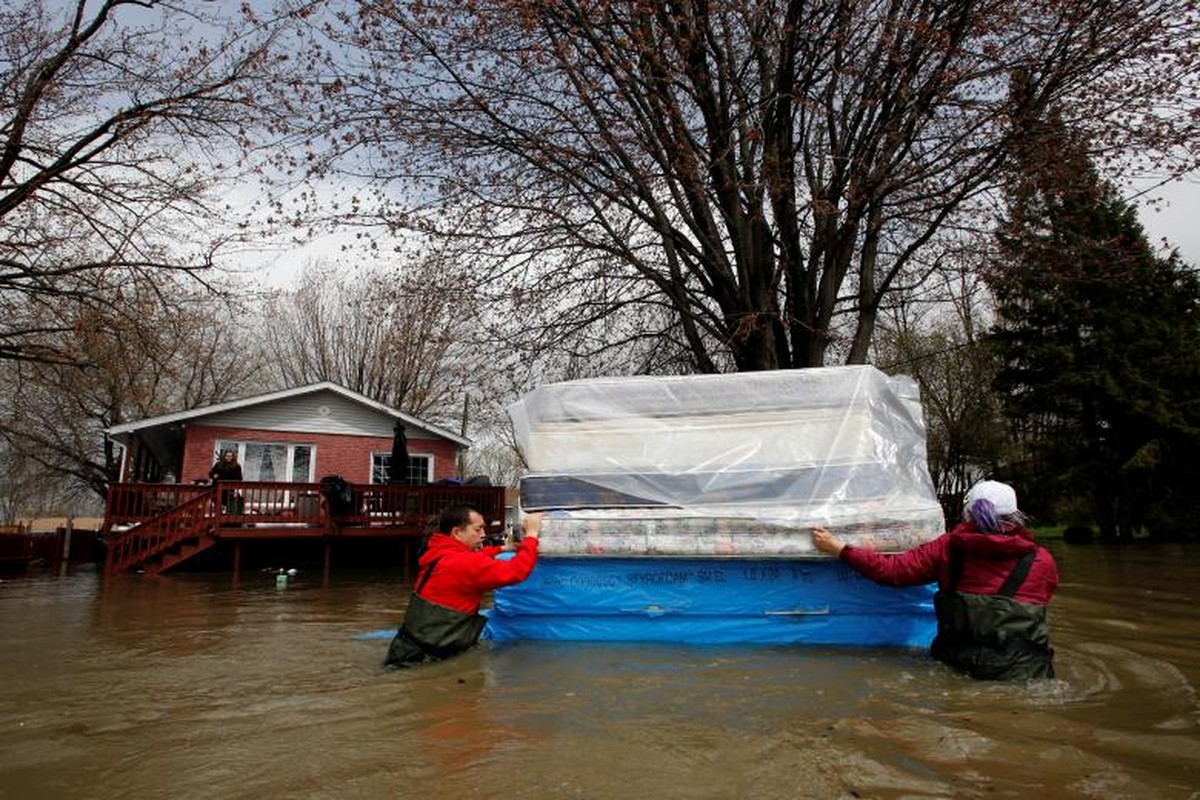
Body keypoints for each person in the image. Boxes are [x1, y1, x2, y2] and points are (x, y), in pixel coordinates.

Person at [812, 480, 1058, 680]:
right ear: (1016, 515)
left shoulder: (949, 548)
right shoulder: (1042, 561)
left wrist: (840, 549)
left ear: (968, 513)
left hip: (963, 670)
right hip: (1029, 674)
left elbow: (893, 571)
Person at [384, 504, 542, 668]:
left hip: (405, 647)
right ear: (457, 532)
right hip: (429, 657)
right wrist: (531, 535)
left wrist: (501, 549)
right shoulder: (464, 564)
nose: (484, 534)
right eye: (478, 529)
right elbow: (516, 571)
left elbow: (471, 559)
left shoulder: (439, 552)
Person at [208, 449, 244, 516]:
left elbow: (239, 479)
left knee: (229, 506)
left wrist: (236, 489)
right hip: (217, 489)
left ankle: (227, 520)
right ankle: (217, 518)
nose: (229, 457)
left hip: (229, 490)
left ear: (233, 457)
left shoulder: (236, 466)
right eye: (227, 456)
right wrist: (214, 475)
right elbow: (211, 474)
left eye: (230, 456)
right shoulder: (218, 465)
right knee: (217, 506)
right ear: (224, 456)